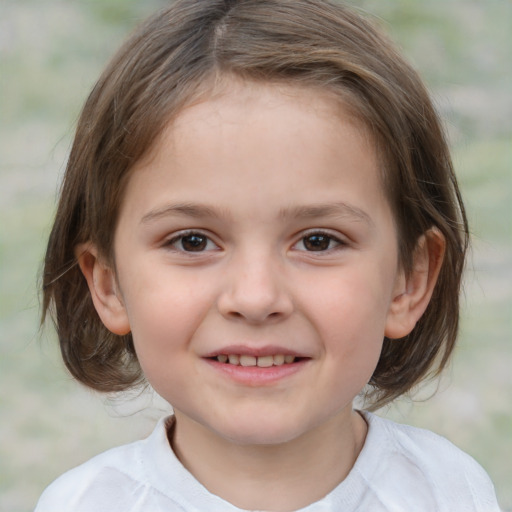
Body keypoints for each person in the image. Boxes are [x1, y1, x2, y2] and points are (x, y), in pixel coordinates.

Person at [35, 0, 502, 510]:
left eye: (318, 241)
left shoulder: (450, 491)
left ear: (408, 279)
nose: (256, 298)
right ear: (108, 283)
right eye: (193, 241)